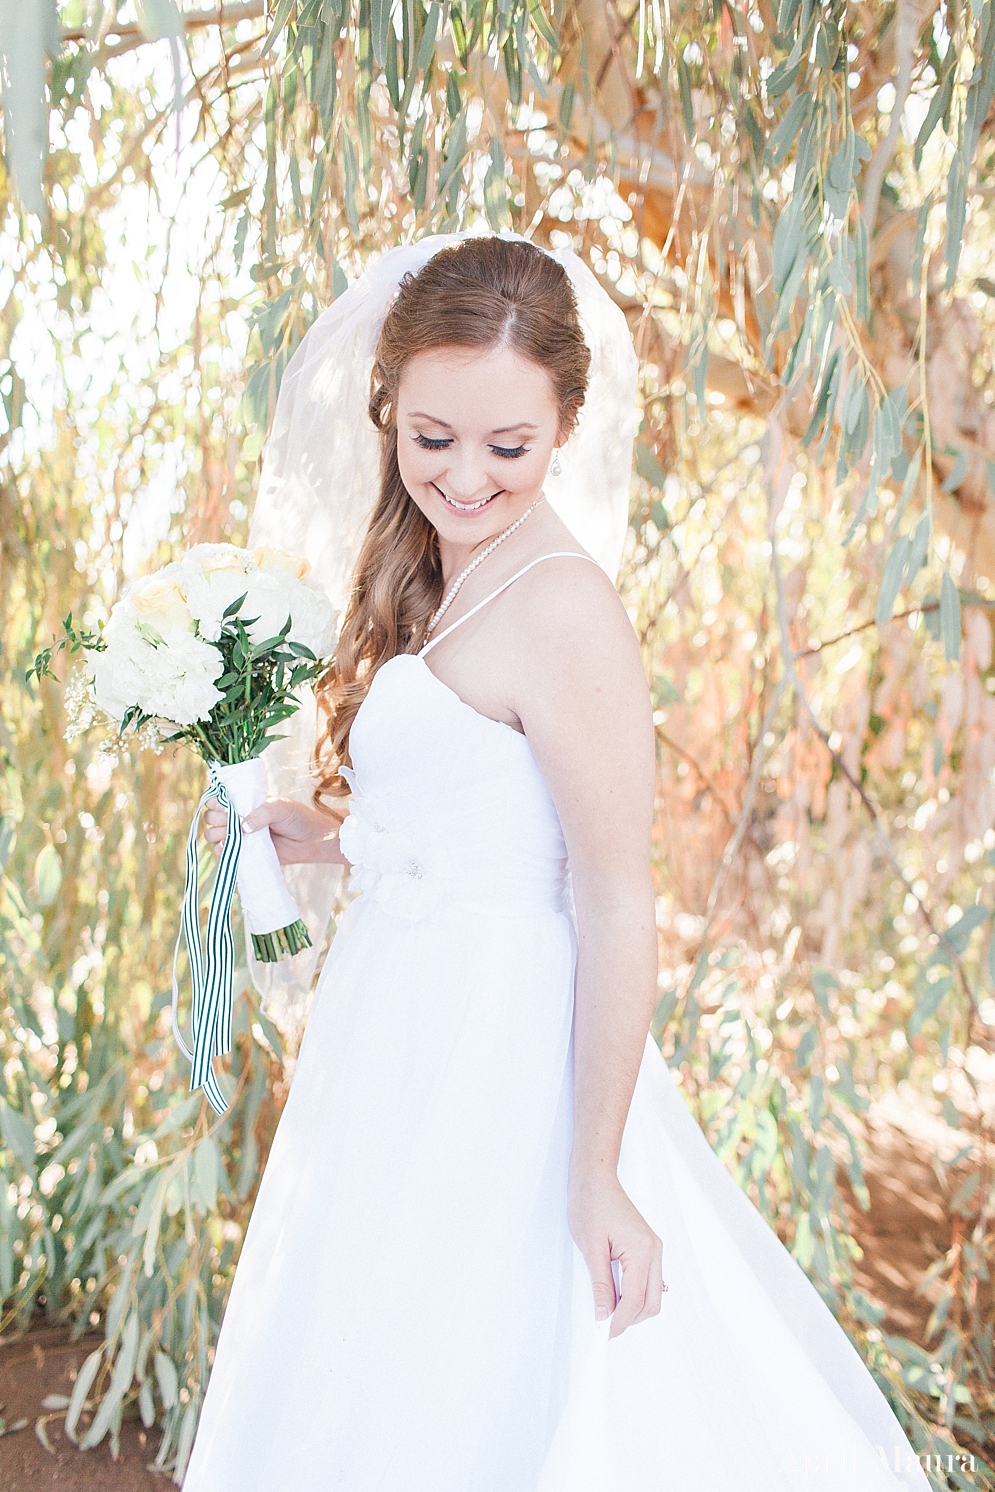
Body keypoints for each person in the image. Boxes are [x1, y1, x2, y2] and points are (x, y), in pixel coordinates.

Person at [181, 236, 931, 1492]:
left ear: (564, 424)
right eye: (431, 438)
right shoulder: (439, 576)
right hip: (396, 1029)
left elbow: (615, 894)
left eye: (505, 447)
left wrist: (593, 1171)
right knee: (378, 1352)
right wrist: (318, 830)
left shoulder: (568, 607)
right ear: (388, 409)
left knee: (487, 1356)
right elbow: (462, 820)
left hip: (503, 1044)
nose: (463, 477)